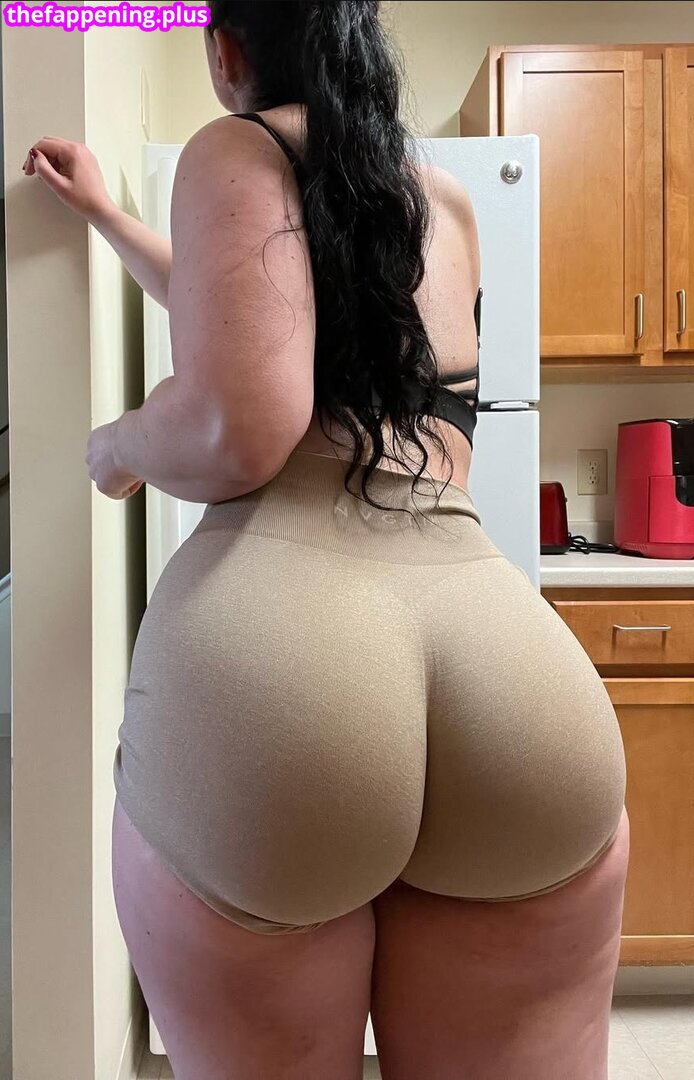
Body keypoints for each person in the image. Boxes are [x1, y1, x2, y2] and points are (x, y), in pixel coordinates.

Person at [24, 3, 629, 1078]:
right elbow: (257, 318)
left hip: (281, 670)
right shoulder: (434, 196)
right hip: (507, 669)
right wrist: (112, 217)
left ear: (226, 51)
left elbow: (240, 421)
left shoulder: (234, 147)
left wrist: (115, 446)